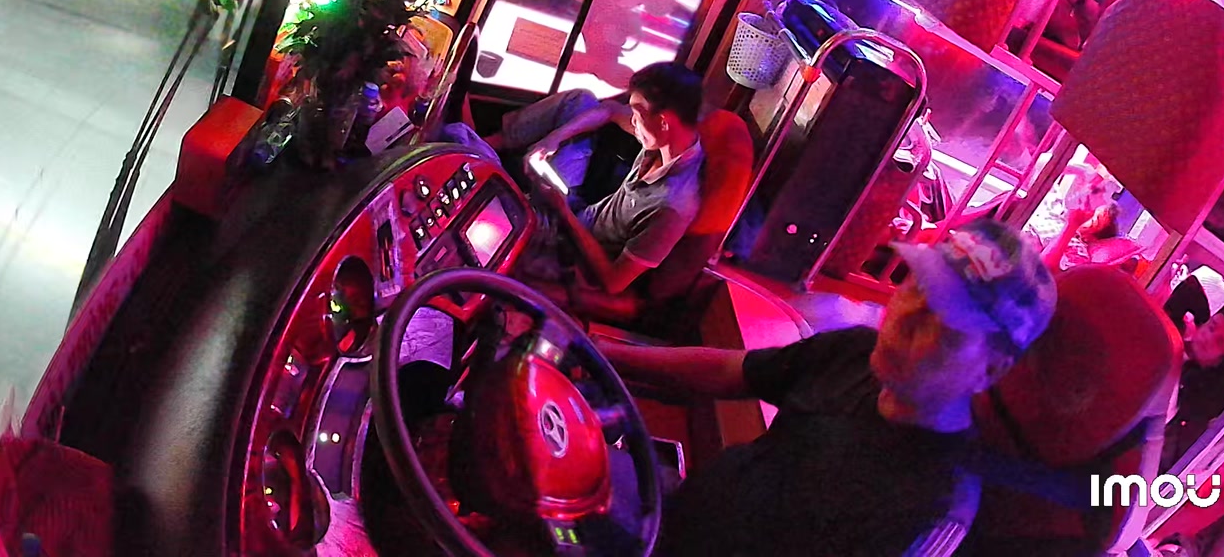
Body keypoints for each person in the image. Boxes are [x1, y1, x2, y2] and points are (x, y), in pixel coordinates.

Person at [596, 219, 1057, 555]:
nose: (904, 317)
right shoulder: (855, 353)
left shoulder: (936, 504)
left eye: (947, 322)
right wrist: (601, 352)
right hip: (672, 509)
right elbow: (732, 371)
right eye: (917, 286)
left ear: (991, 370)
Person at [442, 62, 705, 297]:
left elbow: (614, 282)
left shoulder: (672, 208)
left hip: (566, 248)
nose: (632, 121)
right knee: (580, 101)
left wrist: (562, 211)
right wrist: (554, 139)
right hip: (576, 210)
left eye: (637, 115)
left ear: (664, 122)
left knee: (465, 155)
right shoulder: (668, 139)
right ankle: (484, 142)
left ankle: (467, 146)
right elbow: (610, 110)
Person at [1162, 302, 1224, 469]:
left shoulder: (1196, 400)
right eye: (1212, 327)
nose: (1210, 339)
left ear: (1220, 359)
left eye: (1219, 342)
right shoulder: (1168, 343)